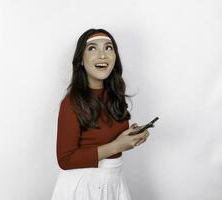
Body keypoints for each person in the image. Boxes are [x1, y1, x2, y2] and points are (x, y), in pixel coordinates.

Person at [51, 28, 150, 200]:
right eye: (92, 48)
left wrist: (132, 135)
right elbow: (65, 159)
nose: (102, 55)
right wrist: (118, 146)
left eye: (108, 48)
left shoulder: (115, 96)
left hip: (113, 182)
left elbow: (106, 135)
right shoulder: (71, 103)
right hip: (84, 188)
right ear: (81, 60)